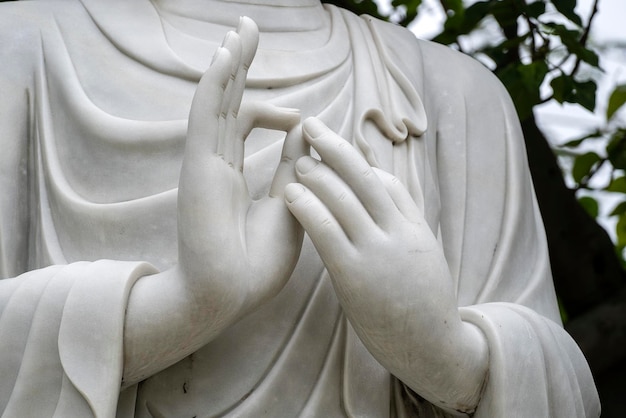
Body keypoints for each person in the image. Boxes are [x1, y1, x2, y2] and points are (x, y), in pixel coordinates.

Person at [0, 0, 599, 416]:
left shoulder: (458, 95)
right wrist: (187, 305)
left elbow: (564, 391)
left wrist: (444, 352)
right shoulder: (22, 47)